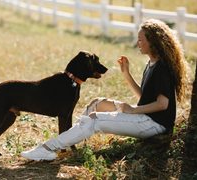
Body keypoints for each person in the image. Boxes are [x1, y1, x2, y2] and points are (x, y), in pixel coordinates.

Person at [21, 19, 187, 161]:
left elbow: (162, 104)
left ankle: (48, 149)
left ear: (153, 42)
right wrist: (126, 74)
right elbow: (146, 97)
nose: (138, 43)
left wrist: (133, 109)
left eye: (141, 40)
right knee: (97, 104)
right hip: (146, 117)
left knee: (94, 119)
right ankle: (76, 142)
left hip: (155, 125)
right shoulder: (151, 63)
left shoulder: (162, 68)